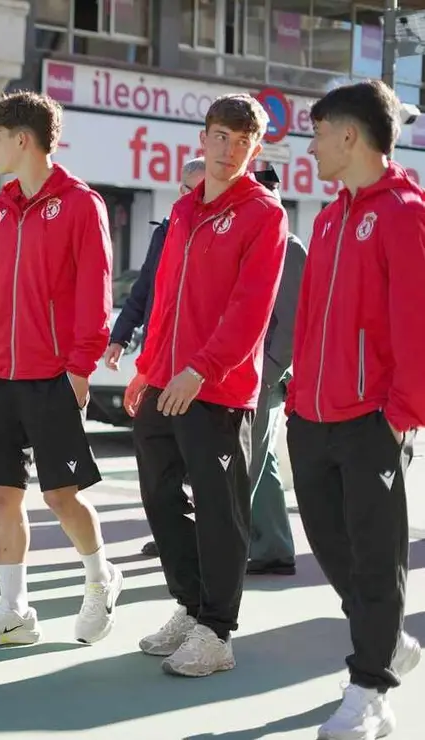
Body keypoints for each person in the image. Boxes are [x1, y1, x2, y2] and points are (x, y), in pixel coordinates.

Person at [124, 94, 287, 678]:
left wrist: (203, 369)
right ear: (203, 138)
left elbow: (251, 309)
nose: (229, 150)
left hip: (215, 388)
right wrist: (148, 366)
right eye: (221, 136)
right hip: (164, 379)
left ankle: (217, 631)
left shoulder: (264, 213)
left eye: (242, 141)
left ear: (255, 148)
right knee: (160, 498)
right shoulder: (185, 209)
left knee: (220, 511)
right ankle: (192, 609)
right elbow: (165, 294)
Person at [0, 90, 119, 649]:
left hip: (52, 375)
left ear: (22, 139)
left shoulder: (80, 203)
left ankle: (101, 578)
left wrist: (80, 366)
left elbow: (94, 293)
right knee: (4, 494)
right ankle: (13, 610)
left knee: (60, 495)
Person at [287, 80, 423, 738]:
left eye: (316, 133)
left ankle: (369, 690)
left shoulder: (402, 210)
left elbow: (415, 321)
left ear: (348, 136)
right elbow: (310, 315)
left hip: (371, 419)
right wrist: (295, 393)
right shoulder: (328, 214)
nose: (309, 147)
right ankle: (386, 640)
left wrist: (401, 411)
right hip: (309, 416)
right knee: (329, 544)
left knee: (374, 558)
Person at [108, 158, 206, 559]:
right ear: (179, 191)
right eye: (191, 190)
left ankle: (203, 540)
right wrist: (120, 336)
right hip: (157, 360)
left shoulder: (225, 231)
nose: (197, 197)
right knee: (158, 460)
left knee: (198, 461)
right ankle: (173, 532)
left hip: (201, 368)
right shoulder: (166, 231)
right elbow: (144, 288)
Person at [244, 166, 307, 577]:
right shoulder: (255, 239)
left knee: (247, 462)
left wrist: (267, 372)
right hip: (246, 371)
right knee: (261, 462)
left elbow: (292, 322)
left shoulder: (289, 247)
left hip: (263, 374)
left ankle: (226, 547)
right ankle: (276, 548)